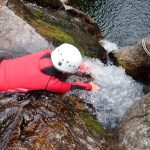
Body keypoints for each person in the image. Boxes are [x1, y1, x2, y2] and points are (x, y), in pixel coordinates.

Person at [0, 43, 100, 93]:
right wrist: (90, 86)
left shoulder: (45, 52)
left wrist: (79, 66)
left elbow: (63, 59)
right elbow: (70, 87)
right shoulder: (51, 83)